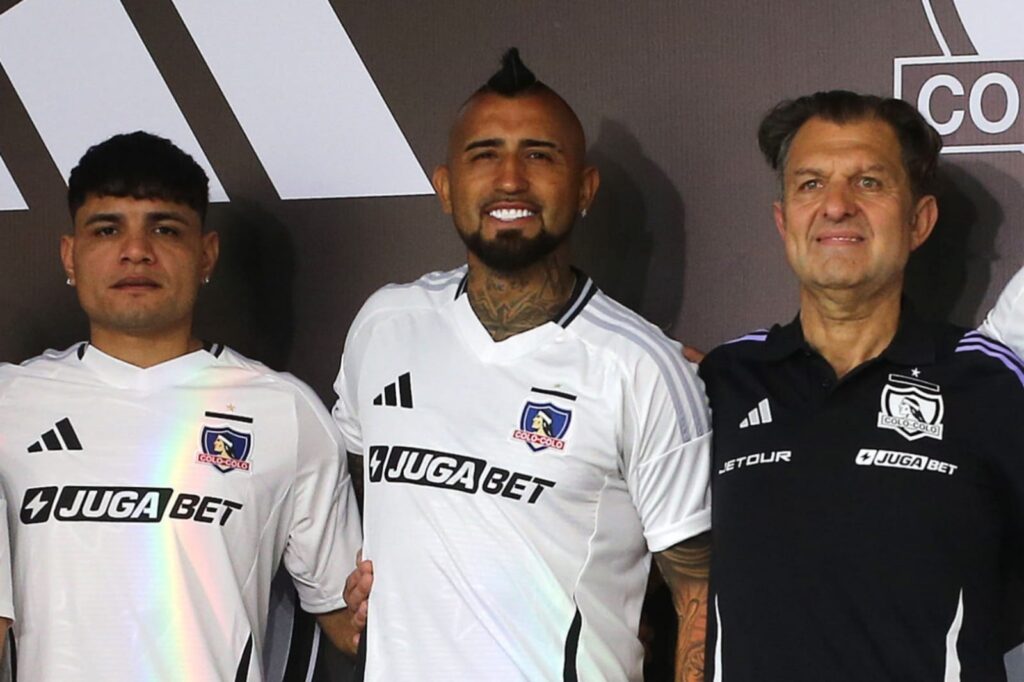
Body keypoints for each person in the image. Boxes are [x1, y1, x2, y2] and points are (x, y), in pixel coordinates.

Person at [333, 49, 712, 681]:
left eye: (540, 155)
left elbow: (699, 594)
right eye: (484, 155)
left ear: (585, 188)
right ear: (446, 186)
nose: (511, 180)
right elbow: (365, 481)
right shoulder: (385, 325)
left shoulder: (641, 367)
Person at [0, 131, 361, 680]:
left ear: (206, 254)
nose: (136, 251)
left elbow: (350, 621)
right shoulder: (9, 404)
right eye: (107, 228)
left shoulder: (283, 411)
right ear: (70, 255)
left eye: (165, 229)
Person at [700, 90, 1024, 680]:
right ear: (783, 220)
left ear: (919, 221)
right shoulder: (720, 382)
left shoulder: (991, 385)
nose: (837, 206)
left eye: (869, 183)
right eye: (810, 184)